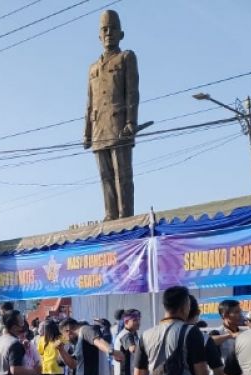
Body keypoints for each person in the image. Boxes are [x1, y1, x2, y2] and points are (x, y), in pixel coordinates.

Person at [83, 8, 139, 221]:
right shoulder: (92, 68)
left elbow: (132, 92)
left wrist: (131, 121)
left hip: (119, 125)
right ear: (99, 36)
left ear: (121, 34)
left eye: (113, 28)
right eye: (104, 29)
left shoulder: (126, 58)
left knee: (122, 175)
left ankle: (125, 215)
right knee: (105, 176)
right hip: (99, 128)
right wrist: (87, 132)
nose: (108, 33)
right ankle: (110, 214)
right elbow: (89, 102)